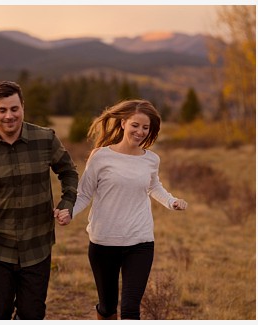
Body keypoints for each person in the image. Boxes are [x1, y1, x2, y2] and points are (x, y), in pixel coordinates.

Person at [0, 80, 79, 320]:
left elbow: (69, 172)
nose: (9, 116)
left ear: (23, 107)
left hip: (37, 246)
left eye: (14, 108)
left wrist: (67, 202)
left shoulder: (45, 139)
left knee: (32, 314)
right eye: (2, 110)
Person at [65, 99, 188, 320]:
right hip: (104, 242)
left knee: (131, 310)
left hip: (140, 242)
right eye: (135, 125)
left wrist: (171, 201)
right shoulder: (100, 156)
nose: (140, 132)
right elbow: (84, 193)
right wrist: (69, 212)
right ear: (123, 123)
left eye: (145, 127)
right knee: (108, 308)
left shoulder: (151, 159)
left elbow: (153, 186)